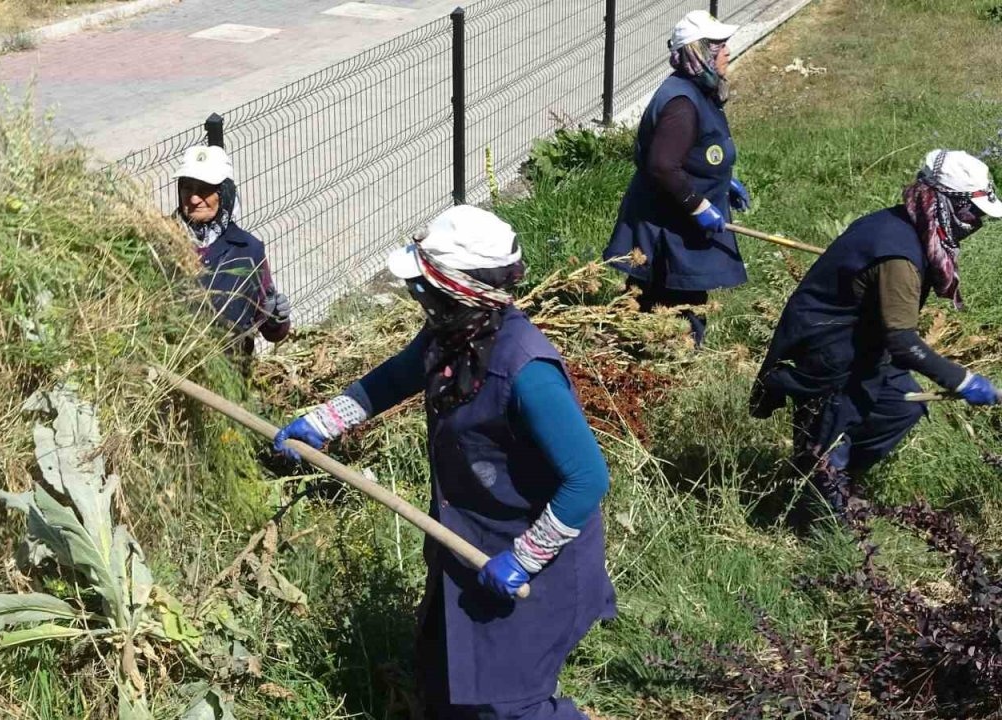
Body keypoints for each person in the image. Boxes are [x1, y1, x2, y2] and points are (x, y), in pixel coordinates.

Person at [272, 205, 616, 719]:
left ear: (459, 293)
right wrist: (327, 421)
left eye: (422, 288)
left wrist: (525, 556)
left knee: (507, 706)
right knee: (446, 680)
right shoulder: (452, 339)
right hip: (468, 543)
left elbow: (588, 478)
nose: (416, 296)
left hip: (536, 563)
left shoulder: (524, 370)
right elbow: (393, 378)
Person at [750, 150, 1002, 514]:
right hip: (829, 353)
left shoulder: (905, 226)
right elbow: (902, 341)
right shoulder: (897, 254)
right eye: (972, 214)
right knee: (829, 437)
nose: (975, 224)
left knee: (901, 408)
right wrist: (962, 381)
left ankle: (841, 475)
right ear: (943, 203)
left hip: (865, 344)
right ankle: (820, 517)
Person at [603, 11, 749, 346]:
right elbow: (663, 166)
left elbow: (696, 153)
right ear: (700, 53)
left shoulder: (696, 91)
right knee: (673, 298)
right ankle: (665, 361)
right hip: (668, 225)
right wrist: (700, 207)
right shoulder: (681, 103)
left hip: (678, 219)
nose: (727, 50)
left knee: (664, 299)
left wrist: (724, 184)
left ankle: (647, 353)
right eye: (718, 45)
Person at [174, 145, 291, 355]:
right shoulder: (160, 243)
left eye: (204, 189)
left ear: (224, 193)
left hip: (230, 373)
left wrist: (276, 318)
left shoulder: (248, 251)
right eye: (187, 188)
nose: (193, 198)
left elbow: (270, 330)